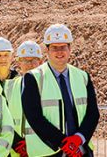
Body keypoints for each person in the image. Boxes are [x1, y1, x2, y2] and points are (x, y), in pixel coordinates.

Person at [21, 23, 99, 157]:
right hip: (48, 151)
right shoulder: (33, 78)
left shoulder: (82, 76)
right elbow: (34, 117)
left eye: (63, 47)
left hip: (80, 150)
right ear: (47, 50)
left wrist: (79, 138)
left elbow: (93, 113)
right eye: (54, 48)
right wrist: (63, 142)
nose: (59, 52)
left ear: (70, 48)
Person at [8, 41, 44, 157]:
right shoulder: (9, 87)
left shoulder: (50, 87)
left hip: (42, 149)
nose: (30, 64)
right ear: (19, 62)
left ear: (41, 62)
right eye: (25, 60)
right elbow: (3, 121)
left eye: (34, 60)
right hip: (17, 150)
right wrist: (18, 144)